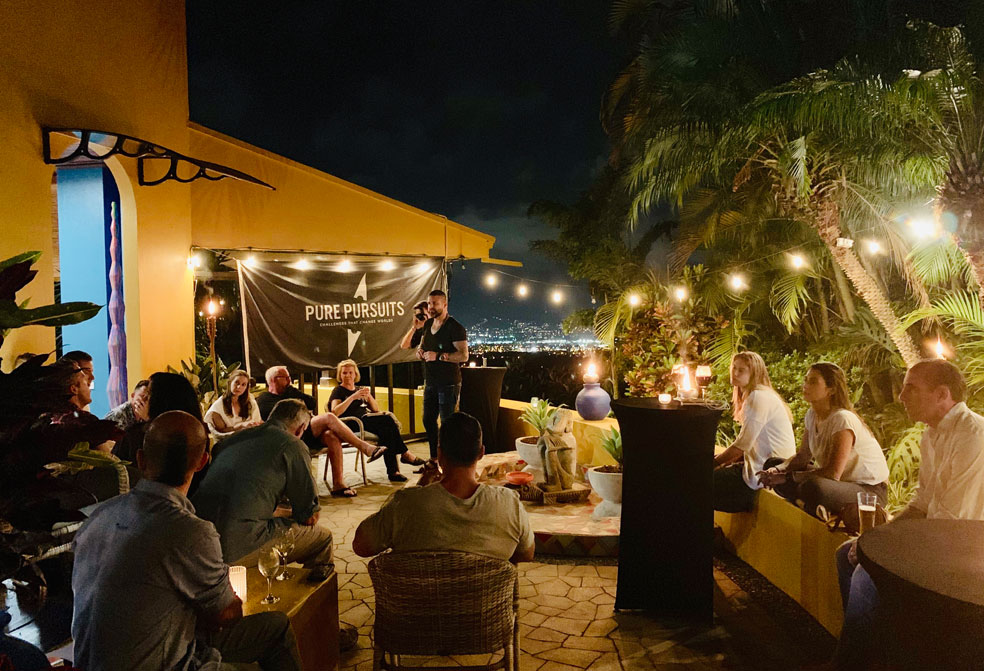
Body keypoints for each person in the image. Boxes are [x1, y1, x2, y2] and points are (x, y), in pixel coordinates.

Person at [72, 410, 303, 671]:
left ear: (140, 459)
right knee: (270, 638)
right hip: (164, 663)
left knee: (274, 626)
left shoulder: (97, 517)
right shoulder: (189, 531)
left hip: (91, 662)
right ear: (203, 461)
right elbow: (227, 613)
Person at [832, 359, 984, 669]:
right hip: (939, 538)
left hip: (967, 553)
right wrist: (875, 536)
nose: (901, 397)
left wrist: (888, 547)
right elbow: (922, 502)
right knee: (847, 552)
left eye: (910, 389)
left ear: (942, 395)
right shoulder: (932, 434)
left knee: (866, 570)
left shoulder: (973, 436)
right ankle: (873, 655)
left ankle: (850, 662)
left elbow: (953, 523)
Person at [353, 412, 535, 564]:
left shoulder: (405, 504)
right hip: (485, 606)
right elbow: (526, 554)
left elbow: (361, 546)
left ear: (439, 454)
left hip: (420, 606)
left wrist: (421, 488)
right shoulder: (507, 503)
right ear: (481, 453)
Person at [193, 399, 335, 580]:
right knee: (322, 538)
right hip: (234, 548)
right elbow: (309, 517)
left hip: (199, 544)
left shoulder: (228, 442)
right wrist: (290, 511)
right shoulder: (292, 445)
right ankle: (307, 598)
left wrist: (277, 511)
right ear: (300, 429)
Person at [757, 362, 889, 518]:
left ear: (831, 389)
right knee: (772, 463)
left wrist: (787, 477)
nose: (805, 385)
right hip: (838, 484)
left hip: (868, 490)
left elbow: (833, 473)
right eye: (805, 380)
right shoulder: (812, 415)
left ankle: (811, 502)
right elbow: (802, 457)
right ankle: (813, 505)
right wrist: (778, 470)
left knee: (812, 487)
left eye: (813, 381)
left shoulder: (842, 419)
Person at [257, 365, 384, 497]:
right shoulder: (264, 398)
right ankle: (366, 448)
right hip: (290, 436)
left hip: (306, 430)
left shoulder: (290, 392)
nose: (290, 381)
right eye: (286, 378)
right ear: (273, 380)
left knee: (331, 436)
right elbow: (283, 418)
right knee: (329, 417)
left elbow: (312, 402)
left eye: (290, 377)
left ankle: (338, 484)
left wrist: (292, 392)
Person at [712, 351, 796, 512]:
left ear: (754, 373)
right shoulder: (757, 394)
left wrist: (714, 463)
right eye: (734, 368)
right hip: (759, 468)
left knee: (693, 482)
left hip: (762, 473)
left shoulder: (758, 396)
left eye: (741, 370)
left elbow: (743, 444)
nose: (735, 373)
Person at [329, 359, 426, 483]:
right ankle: (405, 453)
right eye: (344, 373)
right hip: (352, 423)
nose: (347, 376)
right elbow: (335, 412)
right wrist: (353, 397)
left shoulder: (360, 389)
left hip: (367, 420)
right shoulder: (338, 391)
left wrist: (368, 397)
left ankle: (393, 472)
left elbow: (375, 409)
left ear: (355, 374)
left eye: (350, 373)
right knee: (388, 421)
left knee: (387, 431)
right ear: (340, 375)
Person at [410, 290, 468, 458]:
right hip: (430, 382)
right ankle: (434, 459)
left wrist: (440, 356)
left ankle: (449, 460)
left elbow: (463, 355)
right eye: (429, 303)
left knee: (447, 424)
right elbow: (422, 346)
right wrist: (420, 352)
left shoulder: (455, 327)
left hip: (448, 383)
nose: (431, 307)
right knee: (428, 420)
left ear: (444, 305)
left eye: (435, 303)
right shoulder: (428, 325)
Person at [205, 369, 262, 437]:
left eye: (243, 385)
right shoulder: (217, 407)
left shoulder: (251, 403)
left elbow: (257, 423)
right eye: (236, 383)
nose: (239, 387)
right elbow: (221, 432)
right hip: (229, 442)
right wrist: (240, 426)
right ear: (230, 382)